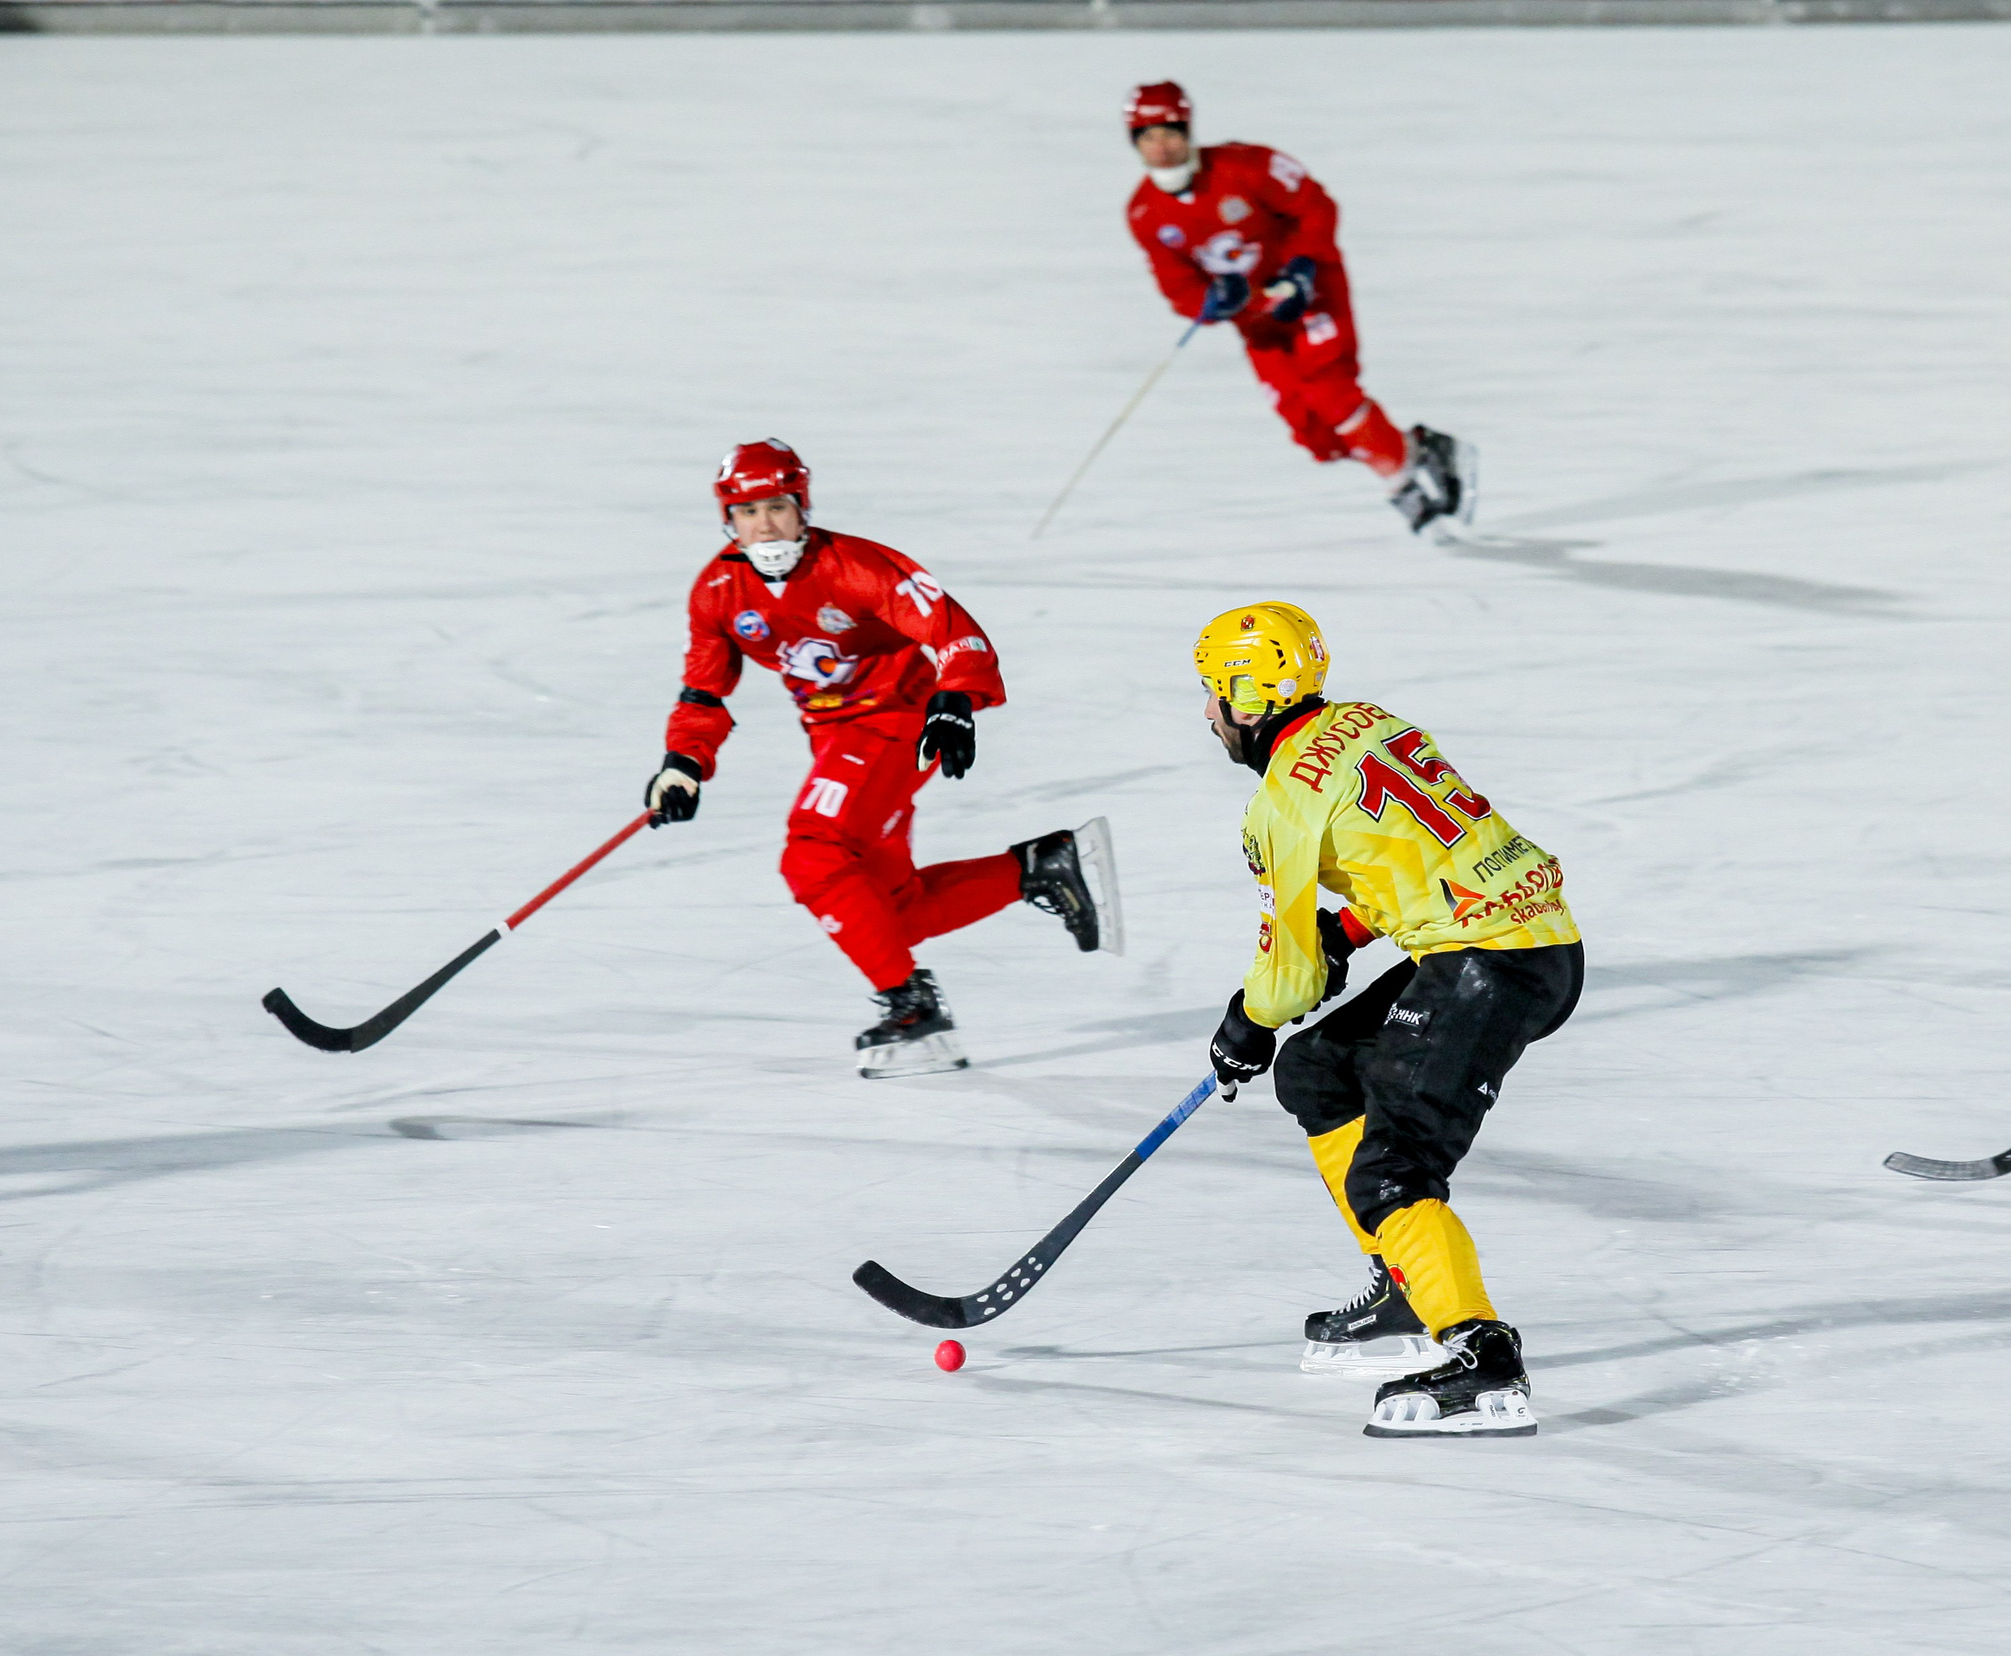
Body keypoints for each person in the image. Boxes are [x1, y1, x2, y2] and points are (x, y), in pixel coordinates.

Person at [1192, 602, 1581, 1437]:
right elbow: (1425, 856)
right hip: (1534, 939)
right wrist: (1346, 931)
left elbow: (1287, 980)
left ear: (1248, 701)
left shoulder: (1278, 807)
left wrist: (1244, 1027)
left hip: (1487, 964)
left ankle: (1482, 1357)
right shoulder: (1369, 723)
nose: (1209, 716)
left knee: (1393, 1171)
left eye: (1214, 695)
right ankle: (1409, 1283)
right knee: (1316, 1071)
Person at [645, 439, 1119, 1078]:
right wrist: (683, 761)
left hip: (899, 722)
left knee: (812, 854)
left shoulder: (854, 567)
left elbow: (948, 628)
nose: (765, 525)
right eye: (748, 512)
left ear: (802, 506)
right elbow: (704, 689)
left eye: (778, 507)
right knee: (889, 912)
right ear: (728, 518)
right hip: (832, 737)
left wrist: (956, 696)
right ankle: (1041, 867)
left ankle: (913, 1007)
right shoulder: (719, 590)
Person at [1123, 82, 1474, 537]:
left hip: (1311, 294)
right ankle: (1421, 449)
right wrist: (1214, 304)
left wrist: (1303, 265)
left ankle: (1402, 487)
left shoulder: (1245, 165)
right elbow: (1178, 287)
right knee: (1314, 434)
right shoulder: (1145, 213)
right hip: (1258, 323)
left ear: (1188, 131)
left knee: (1332, 391)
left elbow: (1314, 205)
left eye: (1170, 132)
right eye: (1148, 136)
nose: (1161, 147)